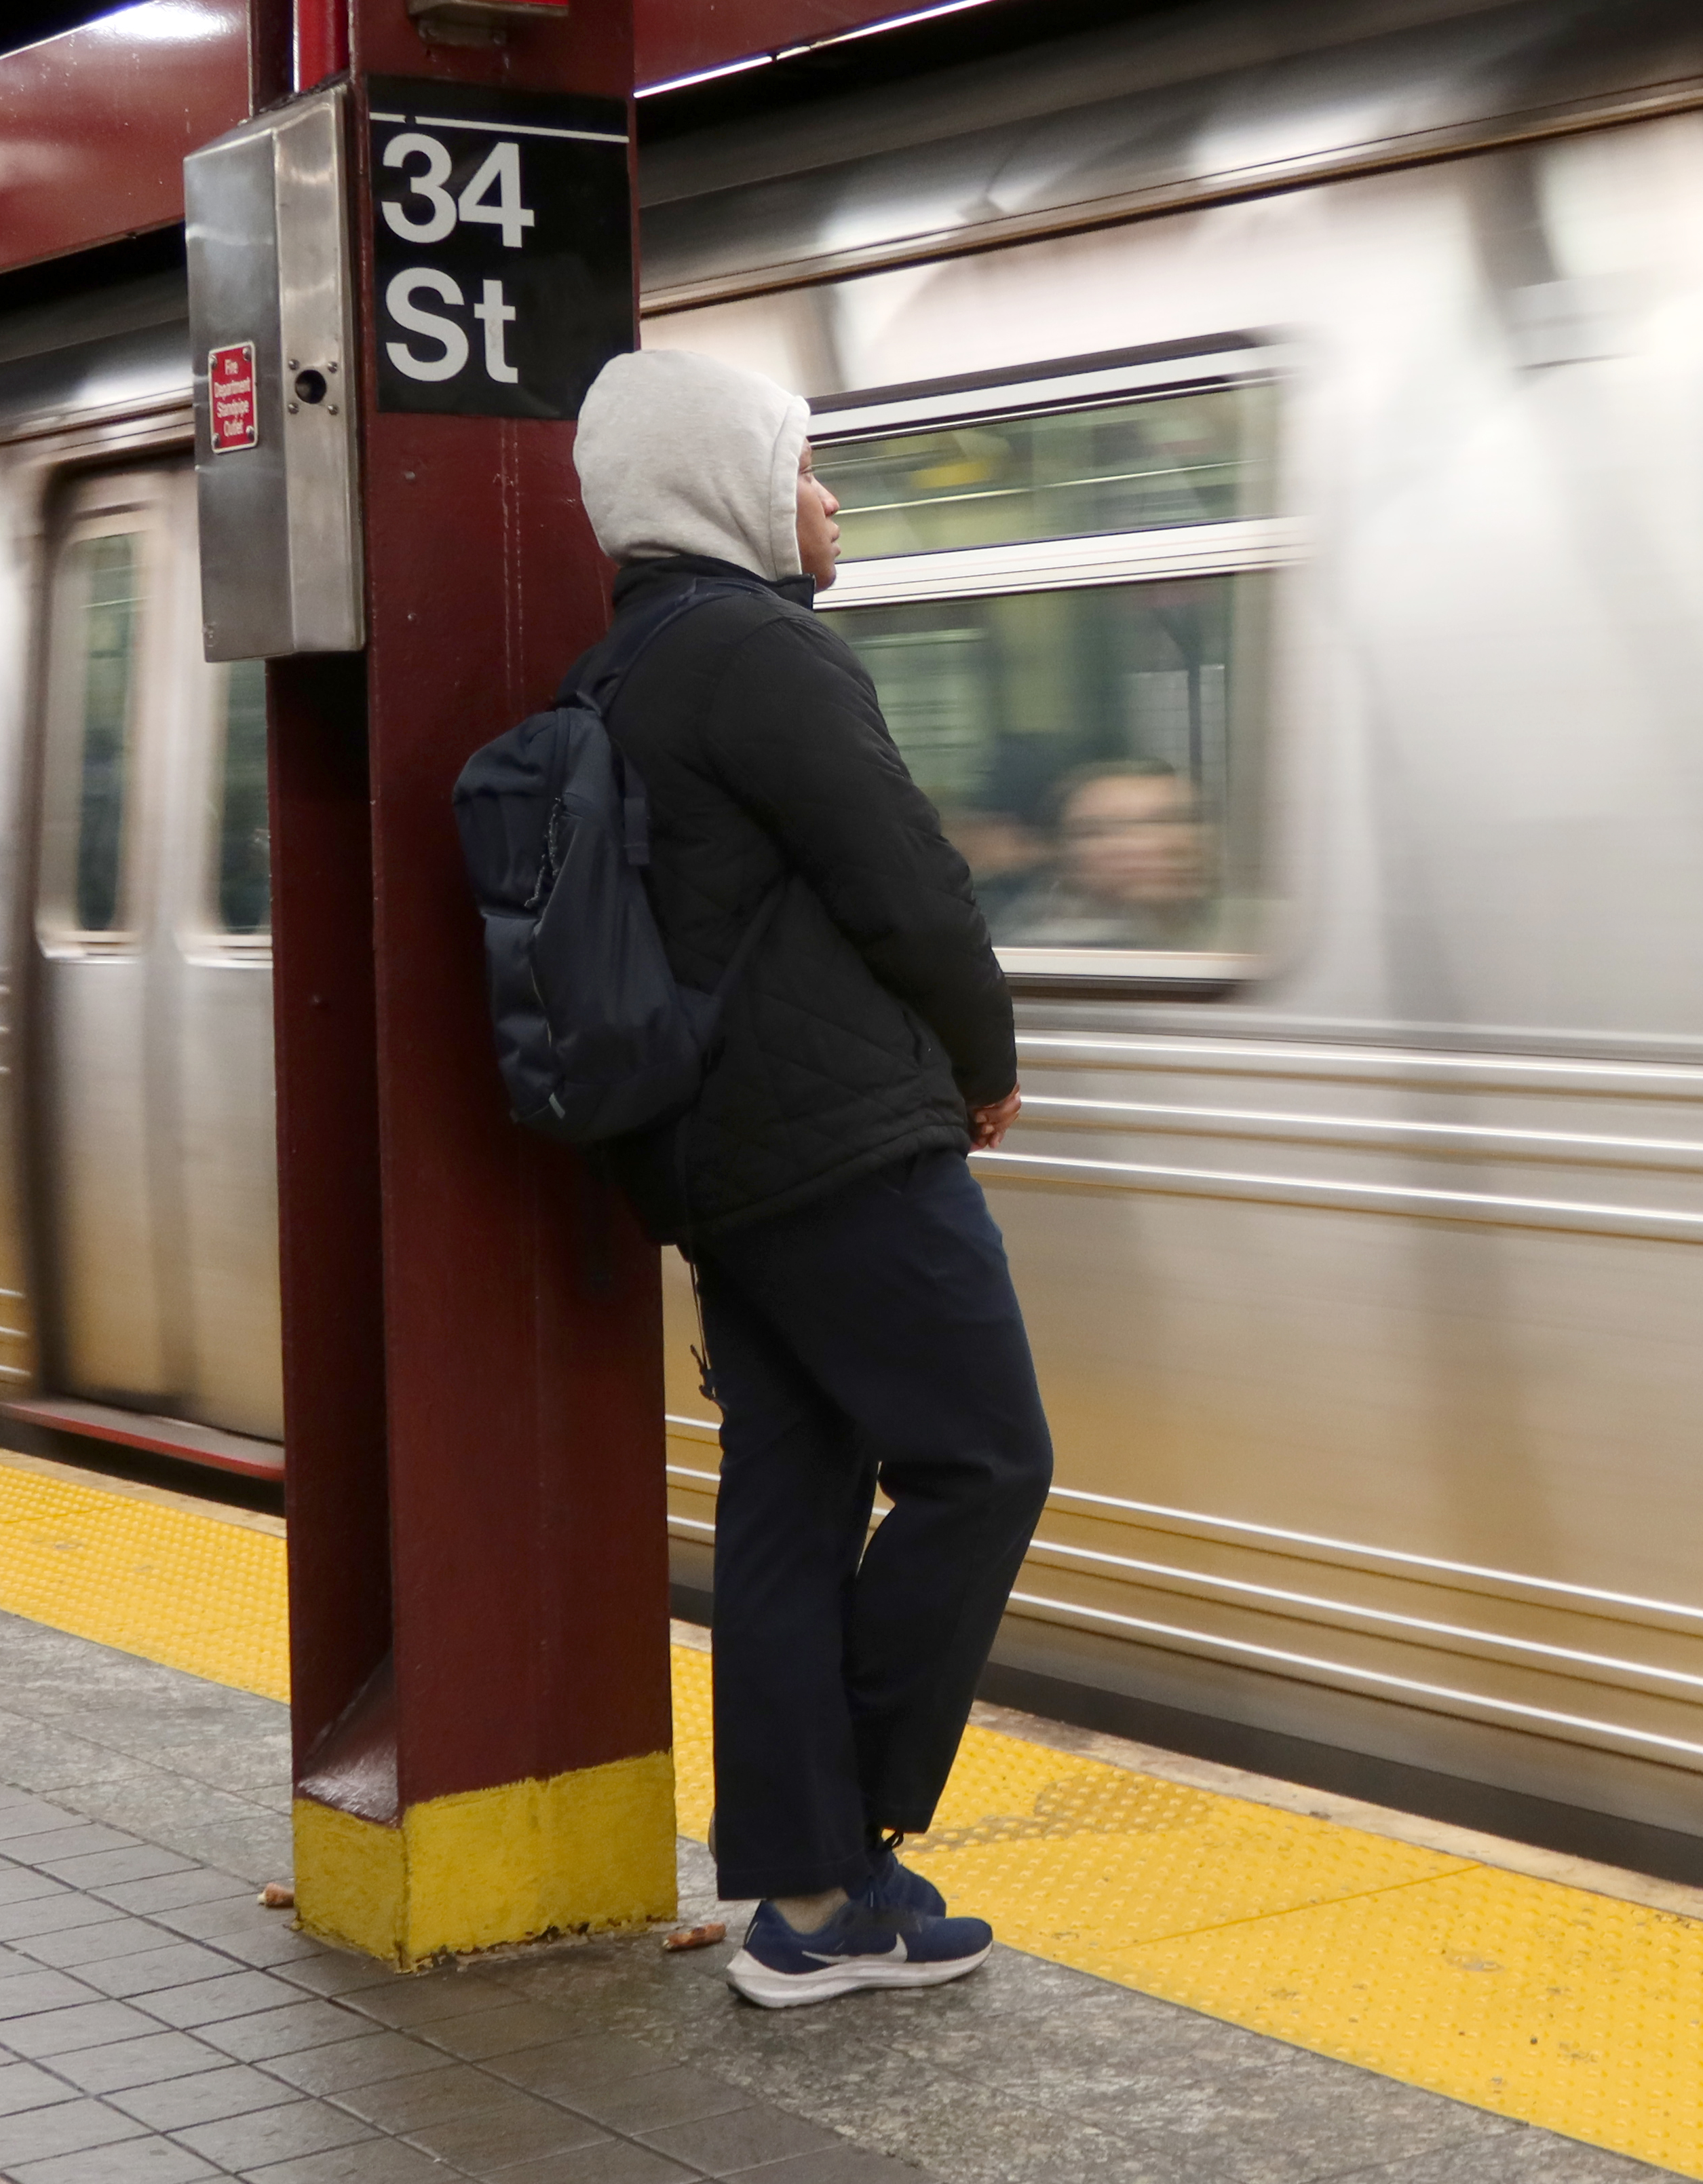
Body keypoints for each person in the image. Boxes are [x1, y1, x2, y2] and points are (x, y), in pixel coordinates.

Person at [569, 347, 1054, 2008]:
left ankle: (800, 1900)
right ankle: (846, 1846)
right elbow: (907, 881)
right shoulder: (764, 653)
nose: (830, 497)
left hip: (717, 1161)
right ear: (722, 486)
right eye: (802, 464)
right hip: (840, 1144)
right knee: (985, 1458)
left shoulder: (629, 664)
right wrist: (982, 1058)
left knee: (790, 1494)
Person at [995, 759, 1213, 948]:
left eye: (1174, 820)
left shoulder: (1236, 933)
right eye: (1102, 831)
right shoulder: (1038, 955)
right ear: (1063, 855)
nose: (1148, 844)